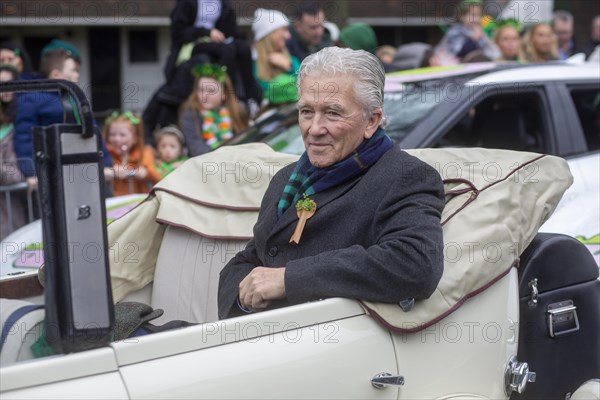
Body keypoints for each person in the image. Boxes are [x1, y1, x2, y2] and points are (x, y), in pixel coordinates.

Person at [218, 47, 445, 319]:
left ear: (371, 120)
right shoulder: (287, 179)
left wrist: (289, 280)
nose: (314, 128)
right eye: (306, 112)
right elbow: (251, 260)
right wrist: (245, 300)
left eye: (332, 113)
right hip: (259, 340)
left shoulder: (405, 176)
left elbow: (415, 263)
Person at [13, 39, 113, 187]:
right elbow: (24, 138)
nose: (77, 75)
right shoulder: (31, 98)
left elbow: (93, 131)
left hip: (80, 171)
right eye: (73, 70)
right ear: (55, 74)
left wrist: (105, 163)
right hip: (49, 176)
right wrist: (32, 172)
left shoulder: (77, 98)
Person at [164, 0, 261, 105]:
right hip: (193, 43)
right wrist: (206, 32)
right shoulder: (187, 3)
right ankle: (227, 95)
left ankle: (250, 97)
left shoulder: (223, 3)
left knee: (244, 48)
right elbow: (178, 32)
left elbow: (232, 31)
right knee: (227, 51)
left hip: (217, 43)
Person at [179, 63, 247, 156]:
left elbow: (246, 140)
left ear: (225, 94)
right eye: (201, 90)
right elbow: (197, 150)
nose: (204, 96)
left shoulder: (237, 110)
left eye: (211, 90)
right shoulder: (190, 114)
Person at [0, 64, 28, 240]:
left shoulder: (17, 125)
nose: (6, 89)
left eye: (10, 83)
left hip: (10, 211)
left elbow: (15, 175)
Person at [103, 111, 161, 196]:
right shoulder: (106, 155)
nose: (116, 139)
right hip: (114, 203)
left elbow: (158, 177)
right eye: (112, 134)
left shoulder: (144, 154)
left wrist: (146, 173)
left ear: (135, 137)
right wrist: (111, 172)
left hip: (138, 202)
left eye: (122, 135)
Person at [252, 8, 300, 106]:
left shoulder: (292, 61)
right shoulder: (252, 64)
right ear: (270, 34)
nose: (288, 36)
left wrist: (289, 67)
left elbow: (305, 86)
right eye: (284, 30)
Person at [434, 0, 500, 64]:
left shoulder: (478, 32)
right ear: (462, 16)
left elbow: (494, 53)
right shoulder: (456, 32)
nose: (476, 19)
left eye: (478, 15)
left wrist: (489, 40)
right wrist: (473, 39)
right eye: (473, 15)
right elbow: (459, 53)